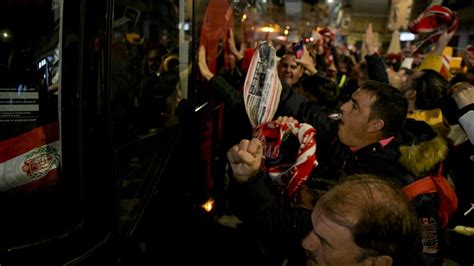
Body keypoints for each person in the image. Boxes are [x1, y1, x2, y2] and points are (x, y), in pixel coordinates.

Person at [227, 138, 423, 265]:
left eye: (325, 242)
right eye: (312, 226)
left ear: (375, 263)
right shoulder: (327, 226)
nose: (306, 242)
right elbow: (272, 218)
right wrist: (249, 177)